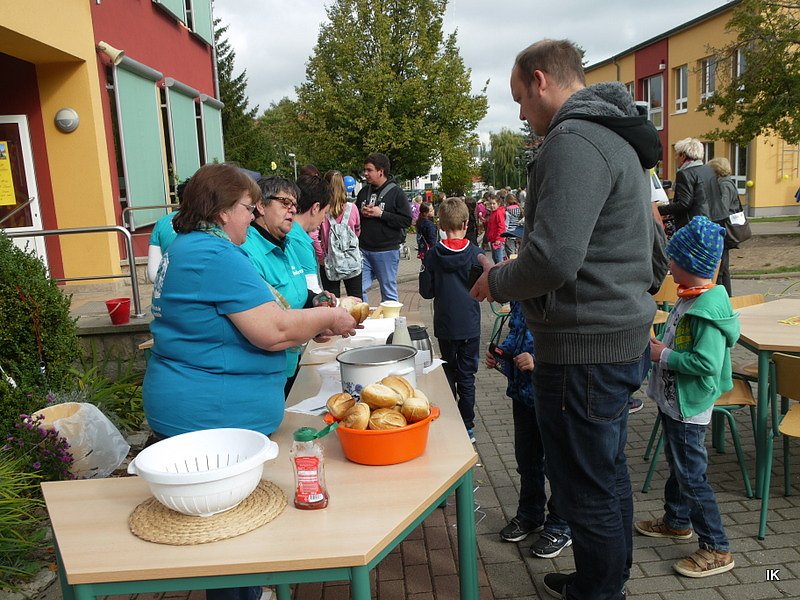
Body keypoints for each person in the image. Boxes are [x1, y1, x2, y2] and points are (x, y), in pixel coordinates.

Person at [470, 39, 660, 600]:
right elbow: (654, 253)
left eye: (519, 100)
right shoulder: (619, 140)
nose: (521, 114)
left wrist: (497, 281)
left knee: (584, 487)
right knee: (605, 475)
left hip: (584, 351)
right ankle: (605, 580)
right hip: (614, 340)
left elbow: (552, 258)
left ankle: (601, 591)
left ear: (540, 79)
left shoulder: (571, 143)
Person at [142, 164, 355, 600]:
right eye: (245, 206)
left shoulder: (188, 247)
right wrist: (328, 317)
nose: (251, 215)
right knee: (227, 544)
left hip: (195, 409)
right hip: (208, 418)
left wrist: (308, 325)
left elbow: (250, 321)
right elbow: (272, 329)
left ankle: (250, 593)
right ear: (222, 211)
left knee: (224, 541)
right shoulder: (215, 255)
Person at [635, 216, 737, 578]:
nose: (668, 265)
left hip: (688, 404)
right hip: (674, 400)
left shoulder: (705, 311)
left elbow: (706, 363)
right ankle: (677, 520)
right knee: (680, 465)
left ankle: (716, 546)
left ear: (690, 264)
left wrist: (662, 354)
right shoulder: (691, 297)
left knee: (692, 475)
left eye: (673, 260)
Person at [490, 301, 573, 557]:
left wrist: (537, 361)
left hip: (555, 396)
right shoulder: (523, 294)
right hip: (524, 393)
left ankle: (561, 524)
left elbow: (572, 346)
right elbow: (517, 331)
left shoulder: (565, 294)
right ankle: (530, 514)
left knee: (557, 465)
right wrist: (502, 353)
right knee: (527, 460)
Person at [241, 176, 333, 395]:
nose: (292, 210)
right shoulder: (247, 249)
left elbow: (295, 291)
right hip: (263, 371)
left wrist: (315, 301)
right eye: (284, 203)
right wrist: (319, 322)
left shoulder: (286, 242)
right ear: (261, 206)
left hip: (290, 359)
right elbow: (268, 317)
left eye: (294, 204)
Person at [419, 197, 483, 442]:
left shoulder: (433, 256)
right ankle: (467, 426)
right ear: (466, 223)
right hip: (469, 324)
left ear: (441, 224)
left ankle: (448, 420)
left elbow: (426, 292)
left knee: (448, 372)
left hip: (445, 325)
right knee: (467, 376)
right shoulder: (477, 254)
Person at [355, 152, 412, 302]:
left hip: (386, 250)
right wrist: (362, 213)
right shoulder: (363, 192)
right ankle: (363, 322)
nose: (365, 174)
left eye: (369, 170)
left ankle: (391, 324)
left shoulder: (397, 193)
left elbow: (406, 220)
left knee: (388, 292)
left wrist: (381, 214)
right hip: (364, 250)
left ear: (381, 171)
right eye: (365, 170)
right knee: (358, 289)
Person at [314, 170, 363, 298]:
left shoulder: (322, 211)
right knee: (356, 298)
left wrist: (321, 257)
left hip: (329, 261)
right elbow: (357, 231)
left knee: (331, 300)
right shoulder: (353, 208)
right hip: (351, 260)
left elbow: (314, 236)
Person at [658, 138, 720, 233]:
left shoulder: (684, 174)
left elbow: (684, 203)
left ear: (683, 155)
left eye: (676, 154)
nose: (675, 158)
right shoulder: (709, 171)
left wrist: (659, 210)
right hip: (710, 223)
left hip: (692, 226)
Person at [289, 174, 332, 294]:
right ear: (316, 208)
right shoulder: (299, 241)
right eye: (325, 213)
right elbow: (313, 292)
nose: (324, 220)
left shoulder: (288, 233)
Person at [707, 157, 741, 296]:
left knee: (720, 266)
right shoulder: (728, 182)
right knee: (724, 266)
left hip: (723, 229)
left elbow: (722, 208)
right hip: (727, 228)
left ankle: (722, 296)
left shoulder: (723, 184)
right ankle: (728, 296)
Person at [484, 194, 506, 263]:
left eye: (494, 204)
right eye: (490, 204)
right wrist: (485, 222)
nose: (492, 205)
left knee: (498, 258)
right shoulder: (493, 212)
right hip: (493, 239)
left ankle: (500, 272)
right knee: (495, 257)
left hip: (497, 239)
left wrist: (499, 238)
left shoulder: (498, 213)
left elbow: (501, 226)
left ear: (498, 204)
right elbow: (492, 224)